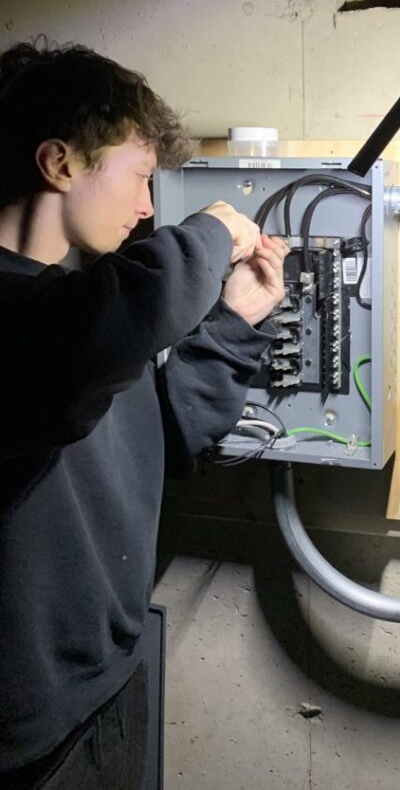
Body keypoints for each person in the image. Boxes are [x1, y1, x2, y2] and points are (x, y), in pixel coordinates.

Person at [0, 41, 289, 788]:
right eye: (139, 177)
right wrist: (215, 232)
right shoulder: (48, 324)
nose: (147, 207)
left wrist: (233, 323)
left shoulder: (76, 310)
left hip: (105, 690)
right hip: (27, 741)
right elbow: (95, 330)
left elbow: (157, 441)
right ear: (60, 165)